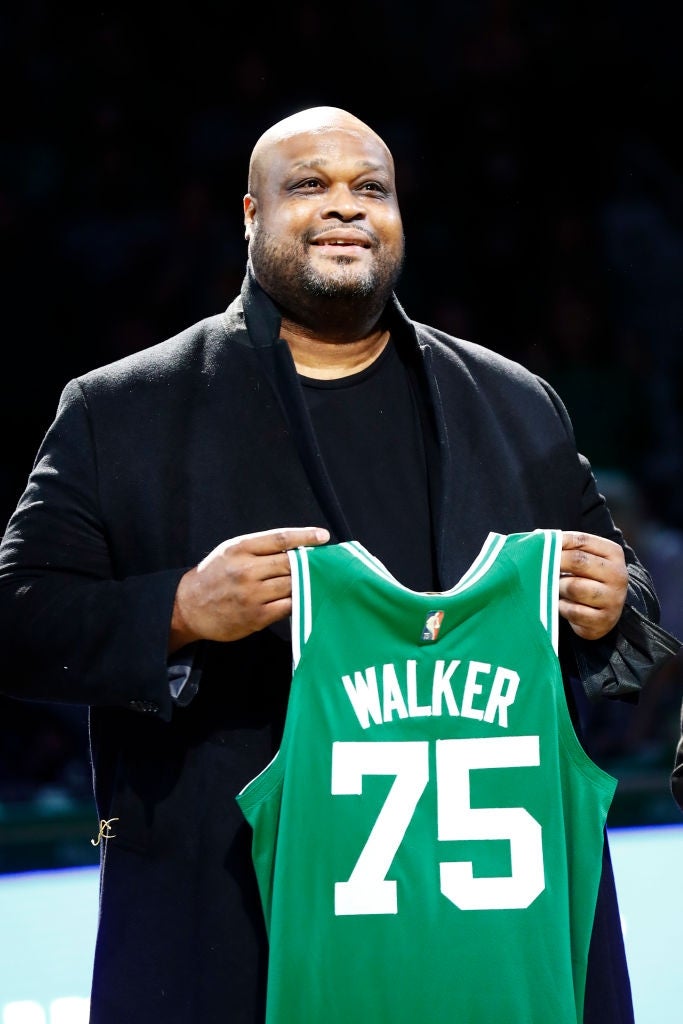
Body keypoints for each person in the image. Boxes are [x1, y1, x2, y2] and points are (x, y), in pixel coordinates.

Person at [0, 105, 677, 1023]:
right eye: (309, 187)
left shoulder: (515, 403)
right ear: (249, 214)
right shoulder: (121, 411)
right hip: (235, 923)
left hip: (494, 933)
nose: (345, 208)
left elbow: (627, 609)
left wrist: (610, 605)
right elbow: (21, 615)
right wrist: (180, 609)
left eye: (371, 189)